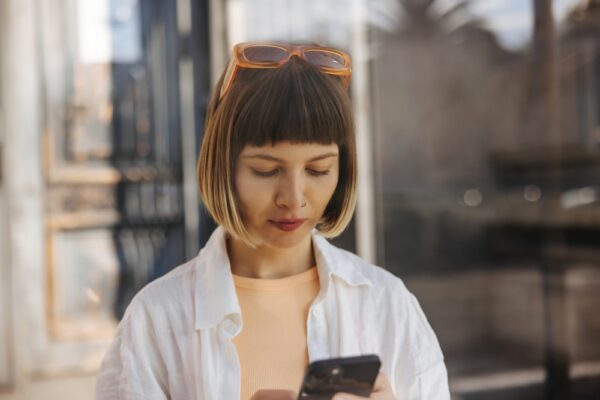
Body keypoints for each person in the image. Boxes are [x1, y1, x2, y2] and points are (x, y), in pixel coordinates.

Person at [96, 41, 450, 400]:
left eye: (318, 169)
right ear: (224, 166)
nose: (293, 198)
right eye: (266, 170)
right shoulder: (157, 318)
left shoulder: (387, 303)